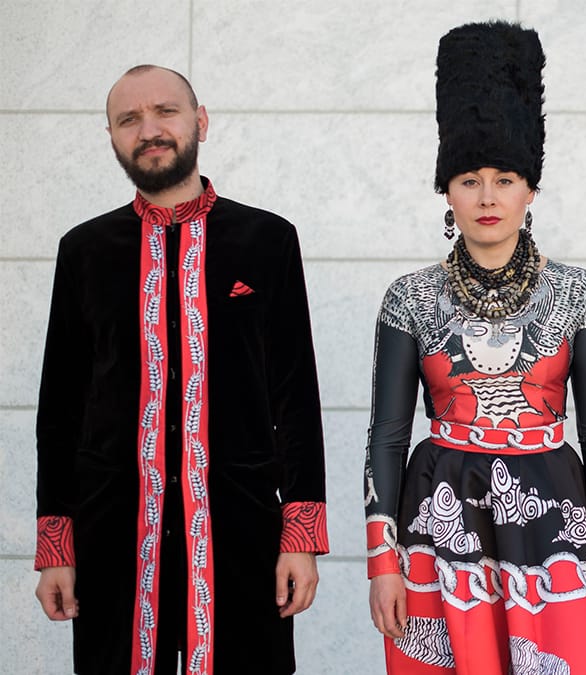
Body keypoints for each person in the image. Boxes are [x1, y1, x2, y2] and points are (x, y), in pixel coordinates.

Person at [363, 21, 586, 674]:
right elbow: (386, 435)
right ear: (447, 191)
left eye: (505, 178)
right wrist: (382, 562)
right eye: (469, 179)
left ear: (531, 189)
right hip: (440, 517)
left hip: (555, 512)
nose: (487, 197)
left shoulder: (576, 291)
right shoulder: (409, 296)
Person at [33, 65, 328, 674]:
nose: (149, 130)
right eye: (129, 119)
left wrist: (300, 536)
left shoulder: (267, 241)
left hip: (240, 531)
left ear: (201, 121)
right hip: (114, 537)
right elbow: (60, 407)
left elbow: (295, 397)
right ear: (112, 138)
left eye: (165, 111)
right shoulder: (84, 251)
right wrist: (56, 547)